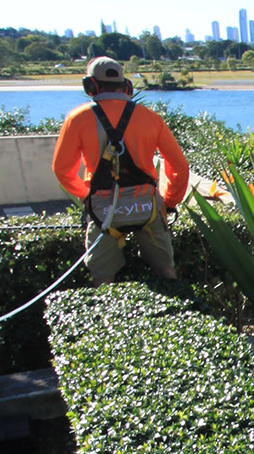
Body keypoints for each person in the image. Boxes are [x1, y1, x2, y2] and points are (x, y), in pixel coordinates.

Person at [52, 56, 190, 285]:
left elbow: (62, 169)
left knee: (102, 278)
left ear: (91, 86)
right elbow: (179, 167)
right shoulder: (150, 118)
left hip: (103, 209)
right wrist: (168, 203)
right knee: (167, 273)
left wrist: (86, 196)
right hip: (147, 207)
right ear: (127, 86)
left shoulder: (77, 119)